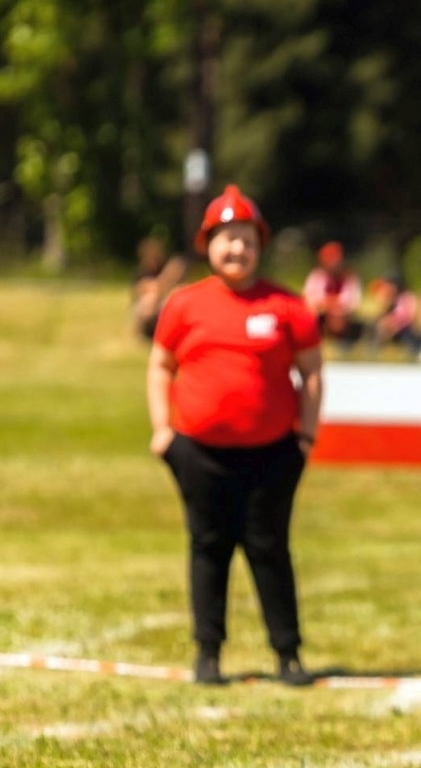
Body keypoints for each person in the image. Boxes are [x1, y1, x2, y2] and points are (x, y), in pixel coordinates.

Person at [146, 185, 323, 687]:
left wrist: (304, 437)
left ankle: (287, 654)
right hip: (199, 454)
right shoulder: (183, 304)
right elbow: (160, 366)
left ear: (258, 245)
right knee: (208, 547)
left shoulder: (288, 305)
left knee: (270, 549)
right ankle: (208, 652)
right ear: (208, 244)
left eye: (245, 239)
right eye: (226, 239)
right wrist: (163, 432)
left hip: (272, 456)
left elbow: (311, 372)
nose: (236, 249)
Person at [302, 241, 363, 351]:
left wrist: (336, 308)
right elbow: (310, 300)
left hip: (343, 317)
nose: (333, 265)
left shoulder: (349, 277)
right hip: (322, 317)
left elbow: (353, 302)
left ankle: (346, 344)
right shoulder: (317, 276)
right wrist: (329, 306)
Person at [131, 237, 188, 341]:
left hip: (160, 305)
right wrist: (168, 275)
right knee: (150, 299)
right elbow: (148, 288)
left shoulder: (161, 267)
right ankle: (146, 332)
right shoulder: (141, 272)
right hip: (144, 308)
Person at [364, 274, 421, 358]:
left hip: (404, 328)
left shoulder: (409, 297)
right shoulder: (390, 297)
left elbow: (412, 317)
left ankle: (411, 349)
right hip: (388, 327)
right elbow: (379, 313)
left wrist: (397, 324)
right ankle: (374, 347)